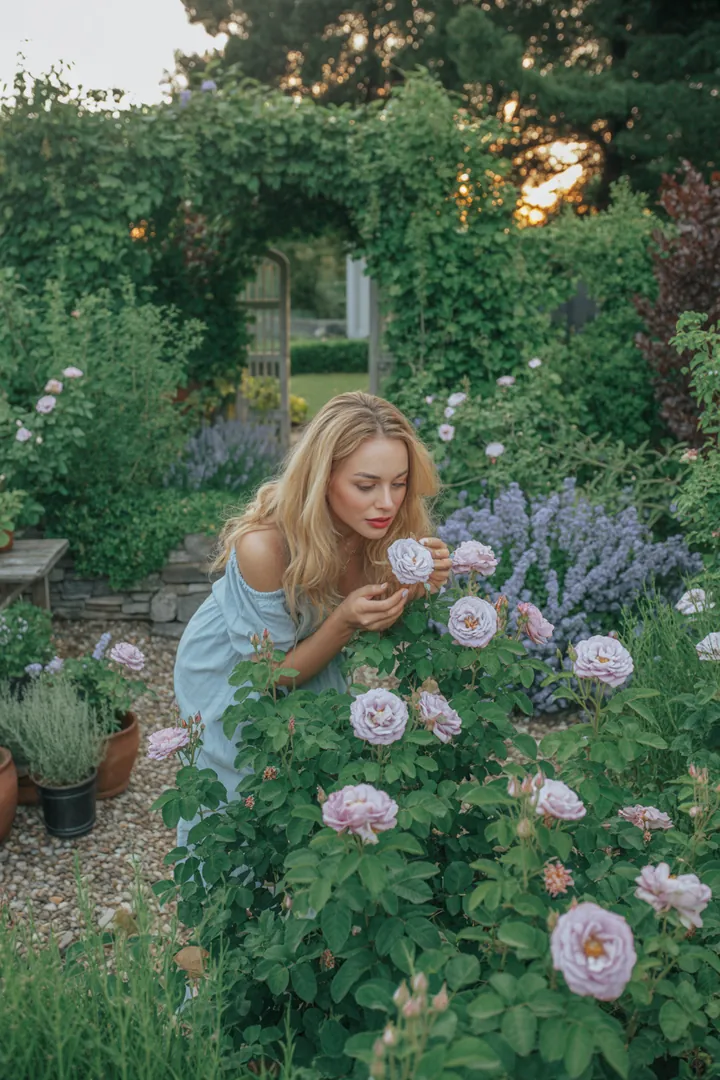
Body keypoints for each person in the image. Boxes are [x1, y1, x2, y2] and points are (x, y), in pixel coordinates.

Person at [173, 391, 452, 855]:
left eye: (399, 483)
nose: (386, 502)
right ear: (323, 479)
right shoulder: (265, 547)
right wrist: (343, 623)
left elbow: (374, 616)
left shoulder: (380, 530)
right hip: (236, 672)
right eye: (366, 485)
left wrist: (419, 582)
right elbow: (272, 679)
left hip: (309, 651)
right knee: (241, 795)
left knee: (309, 783)